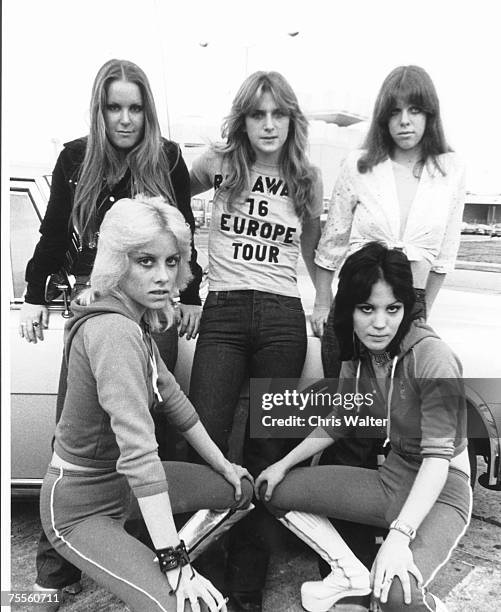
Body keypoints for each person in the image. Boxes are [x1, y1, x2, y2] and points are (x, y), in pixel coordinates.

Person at [18, 59, 203, 602]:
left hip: (156, 308)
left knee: (146, 430)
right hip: (91, 302)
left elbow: (182, 230)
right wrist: (34, 295)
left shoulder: (167, 158)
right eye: (114, 107)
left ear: (148, 111)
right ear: (100, 110)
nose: (125, 119)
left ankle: (143, 556)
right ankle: (55, 571)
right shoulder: (75, 157)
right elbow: (54, 231)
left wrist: (188, 295)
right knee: (72, 433)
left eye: (136, 108)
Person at [39, 195, 254, 612]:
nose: (163, 276)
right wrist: (175, 566)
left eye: (171, 262)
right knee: (192, 608)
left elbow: (178, 406)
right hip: (80, 506)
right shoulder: (113, 333)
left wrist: (225, 466)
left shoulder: (134, 325)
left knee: (239, 490)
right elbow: (139, 453)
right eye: (145, 261)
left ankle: (160, 564)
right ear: (118, 262)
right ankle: (166, 574)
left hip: (121, 487)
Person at [308, 65, 467, 608]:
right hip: (355, 305)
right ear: (382, 115)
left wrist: (416, 323)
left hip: (411, 306)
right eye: (395, 111)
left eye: (416, 110)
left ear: (430, 114)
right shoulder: (361, 164)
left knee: (402, 429)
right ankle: (347, 562)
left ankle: (396, 544)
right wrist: (326, 301)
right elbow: (330, 245)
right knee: (353, 422)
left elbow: (444, 255)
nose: (405, 122)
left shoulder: (450, 170)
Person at [256, 242, 472, 612]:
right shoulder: (359, 354)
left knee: (397, 598)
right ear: (350, 309)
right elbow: (341, 420)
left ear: (406, 308)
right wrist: (283, 464)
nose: (379, 323)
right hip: (393, 478)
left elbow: (437, 459)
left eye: (393, 309)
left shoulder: (432, 358)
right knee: (271, 490)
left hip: (442, 488)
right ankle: (349, 576)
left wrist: (399, 537)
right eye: (366, 308)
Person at [188, 70, 324, 611]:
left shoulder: (306, 177)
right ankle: (203, 563)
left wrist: (325, 304)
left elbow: (315, 255)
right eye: (257, 114)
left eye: (278, 114)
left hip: (280, 316)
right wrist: (182, 284)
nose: (268, 125)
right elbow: (166, 195)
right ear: (242, 119)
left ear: (292, 119)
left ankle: (248, 578)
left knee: (270, 449)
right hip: (220, 312)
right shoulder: (217, 163)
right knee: (206, 438)